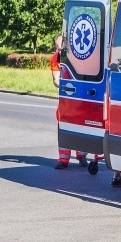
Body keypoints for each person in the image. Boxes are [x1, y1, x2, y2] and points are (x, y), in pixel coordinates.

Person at [51, 34, 89, 169]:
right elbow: (56, 80)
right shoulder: (55, 59)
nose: (58, 51)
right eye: (57, 48)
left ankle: (81, 155)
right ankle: (63, 159)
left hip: (79, 97)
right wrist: (67, 86)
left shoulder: (79, 58)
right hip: (65, 99)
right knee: (64, 126)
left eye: (61, 48)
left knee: (80, 125)